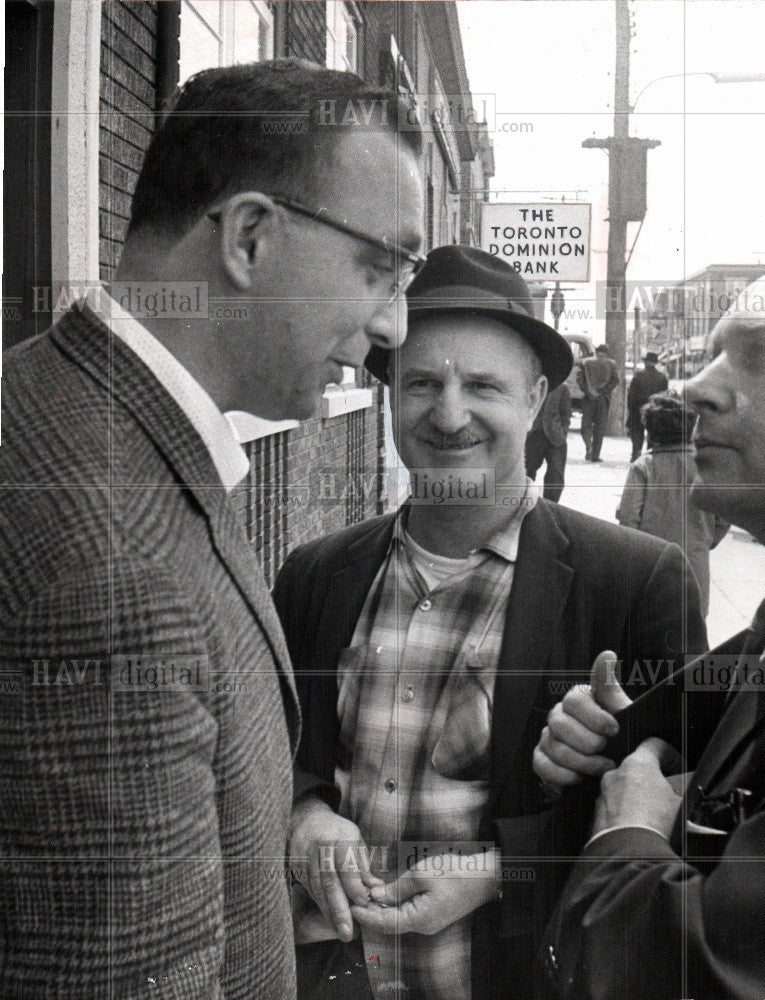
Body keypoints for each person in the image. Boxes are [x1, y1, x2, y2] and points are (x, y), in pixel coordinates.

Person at [0, 60, 424, 999]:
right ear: (250, 237)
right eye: (379, 268)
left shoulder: (55, 403)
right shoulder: (116, 572)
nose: (393, 326)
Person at [273, 245, 706, 1000]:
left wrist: (501, 870)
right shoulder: (314, 576)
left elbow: (687, 814)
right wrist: (305, 811)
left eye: (481, 385)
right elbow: (266, 750)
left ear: (536, 399)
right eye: (421, 384)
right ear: (389, 398)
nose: (448, 414)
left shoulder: (635, 583)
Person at [533, 255, 765, 999]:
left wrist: (628, 830)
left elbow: (715, 973)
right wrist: (624, 743)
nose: (695, 387)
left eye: (759, 354)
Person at [617, 392, 728, 616]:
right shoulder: (705, 467)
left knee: (651, 631)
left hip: (651, 563)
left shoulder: (643, 466)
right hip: (695, 562)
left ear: (652, 431)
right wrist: (705, 541)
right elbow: (724, 517)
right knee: (692, 630)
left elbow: (628, 518)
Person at [525, 381, 572, 502]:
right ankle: (525, 502)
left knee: (556, 475)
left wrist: (563, 431)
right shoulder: (533, 384)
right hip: (534, 435)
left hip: (555, 437)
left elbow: (566, 413)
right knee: (526, 471)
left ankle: (551, 506)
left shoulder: (562, 387)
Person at [578, 344, 619, 462]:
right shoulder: (612, 364)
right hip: (604, 399)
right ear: (606, 353)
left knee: (586, 425)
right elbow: (615, 380)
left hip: (589, 398)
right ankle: (595, 455)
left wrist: (588, 391)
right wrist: (604, 390)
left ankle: (588, 446)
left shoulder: (586, 362)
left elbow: (580, 379)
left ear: (596, 351)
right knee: (599, 427)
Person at [626, 350, 668, 461]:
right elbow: (665, 397)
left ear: (646, 363)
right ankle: (650, 456)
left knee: (637, 433)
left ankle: (636, 453)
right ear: (656, 363)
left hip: (638, 409)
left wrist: (631, 410)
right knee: (653, 434)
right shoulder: (662, 377)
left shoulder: (638, 376)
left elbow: (631, 396)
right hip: (655, 409)